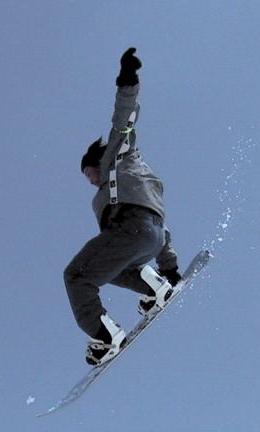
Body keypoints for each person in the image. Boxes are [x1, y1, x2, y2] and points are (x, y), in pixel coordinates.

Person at [64, 47, 181, 366]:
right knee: (111, 269)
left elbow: (123, 118)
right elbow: (157, 222)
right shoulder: (135, 180)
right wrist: (169, 267)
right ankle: (155, 285)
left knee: (76, 276)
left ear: (97, 163)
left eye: (89, 173)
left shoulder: (118, 155)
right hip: (149, 236)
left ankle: (106, 336)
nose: (90, 181)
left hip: (132, 230)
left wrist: (127, 81)